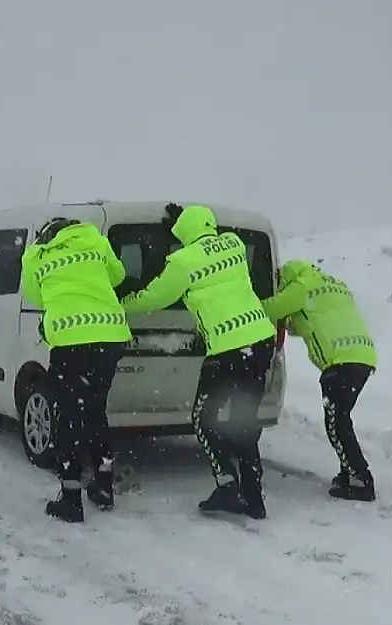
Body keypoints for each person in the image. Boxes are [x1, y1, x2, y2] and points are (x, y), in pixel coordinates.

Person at [120, 203, 277, 519]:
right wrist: (186, 223)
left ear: (184, 233)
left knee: (203, 418)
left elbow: (156, 297)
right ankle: (253, 498)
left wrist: (122, 303)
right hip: (260, 343)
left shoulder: (182, 262)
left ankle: (227, 485)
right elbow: (208, 250)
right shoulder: (233, 244)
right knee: (244, 421)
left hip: (228, 350)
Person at [20, 217, 133, 523]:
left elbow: (34, 295)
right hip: (109, 339)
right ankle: (103, 486)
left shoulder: (37, 255)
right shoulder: (96, 241)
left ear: (46, 234)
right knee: (96, 411)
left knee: (69, 416)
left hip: (71, 341)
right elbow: (119, 276)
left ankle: (71, 498)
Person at [262, 260, 378, 502]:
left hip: (340, 361)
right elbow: (310, 319)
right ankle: (349, 472)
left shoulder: (300, 287)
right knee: (341, 419)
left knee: (337, 422)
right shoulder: (334, 284)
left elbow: (270, 310)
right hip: (363, 357)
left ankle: (361, 478)